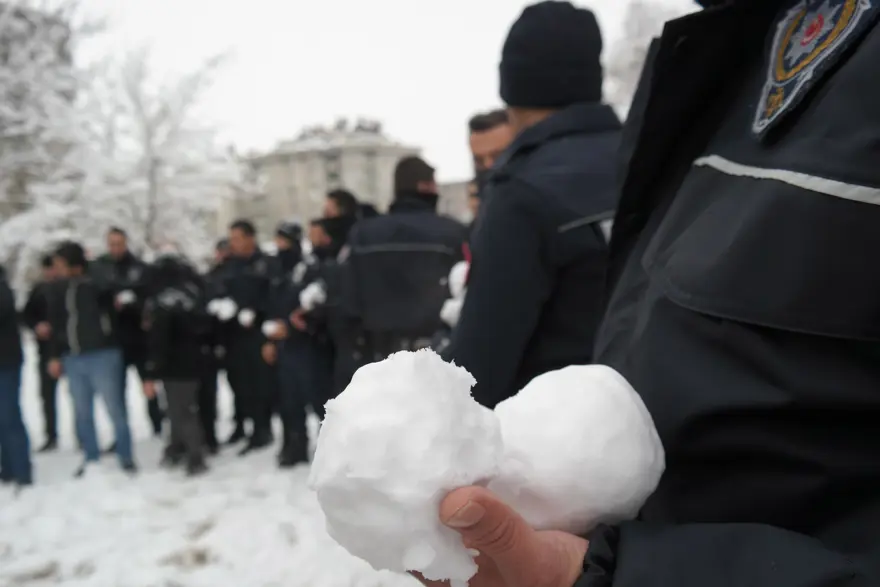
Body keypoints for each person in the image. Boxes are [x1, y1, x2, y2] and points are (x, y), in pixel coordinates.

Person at [421, 1, 880, 586]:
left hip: (574, 489)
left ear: (512, 89)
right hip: (638, 507)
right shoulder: (665, 123)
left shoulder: (533, 187)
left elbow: (481, 358)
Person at [446, 1, 621, 409]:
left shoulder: (523, 194)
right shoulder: (659, 156)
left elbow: (478, 368)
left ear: (511, 87)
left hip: (560, 439)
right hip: (672, 428)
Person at [340, 156, 468, 362]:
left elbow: (348, 300)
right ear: (425, 186)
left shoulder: (363, 235)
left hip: (375, 358)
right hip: (438, 356)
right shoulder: (453, 233)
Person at [47, 242, 135, 477]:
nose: (57, 269)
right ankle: (91, 457)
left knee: (114, 408)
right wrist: (55, 354)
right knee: (82, 412)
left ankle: (125, 456)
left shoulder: (97, 283)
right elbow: (57, 324)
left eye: (61, 264)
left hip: (103, 354)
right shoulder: (59, 289)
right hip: (73, 357)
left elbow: (115, 292)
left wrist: (92, 270)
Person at [142, 255, 210, 476]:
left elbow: (159, 340)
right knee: (184, 409)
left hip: (174, 366)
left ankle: (194, 456)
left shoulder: (162, 302)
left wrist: (152, 370)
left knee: (180, 411)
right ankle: (180, 447)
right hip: (195, 360)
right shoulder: (191, 295)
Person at [92, 227, 163, 437]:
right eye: (112, 244)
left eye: (119, 244)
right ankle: (121, 433)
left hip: (139, 337)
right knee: (116, 390)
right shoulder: (100, 268)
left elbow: (150, 296)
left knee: (149, 385)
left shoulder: (139, 268)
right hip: (113, 339)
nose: (115, 248)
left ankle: (157, 425)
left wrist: (133, 300)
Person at [222, 220, 282, 455]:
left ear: (250, 238)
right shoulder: (229, 264)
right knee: (238, 383)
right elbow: (220, 287)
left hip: (258, 333)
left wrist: (257, 313)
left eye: (237, 238)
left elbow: (273, 296)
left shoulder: (266, 263)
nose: (233, 243)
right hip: (233, 335)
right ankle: (241, 425)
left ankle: (261, 429)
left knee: (260, 384)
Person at [21, 255, 59, 452]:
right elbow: (26, 315)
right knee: (46, 394)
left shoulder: (67, 287)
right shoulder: (39, 290)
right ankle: (51, 434)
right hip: (44, 349)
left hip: (67, 348)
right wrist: (37, 326)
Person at [0, 265, 31, 488]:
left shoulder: (3, 290)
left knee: (9, 416)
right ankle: (9, 467)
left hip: (6, 363)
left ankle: (22, 470)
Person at [200, 239, 231, 451]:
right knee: (208, 393)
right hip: (209, 341)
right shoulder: (209, 277)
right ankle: (209, 436)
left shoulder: (234, 273)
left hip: (232, 338)